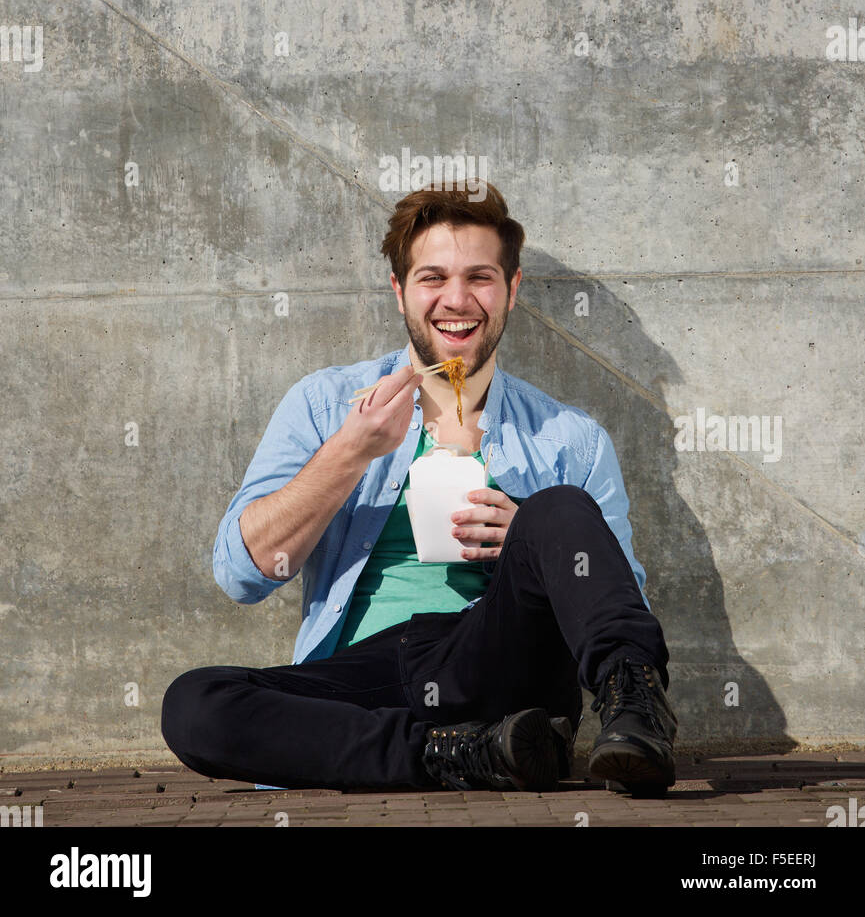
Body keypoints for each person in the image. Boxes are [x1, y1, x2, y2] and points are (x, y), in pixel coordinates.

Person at [161, 182, 677, 795]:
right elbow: (240, 574)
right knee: (195, 703)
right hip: (367, 681)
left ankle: (640, 714)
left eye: (480, 278)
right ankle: (457, 756)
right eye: (432, 277)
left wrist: (532, 544)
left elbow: (623, 605)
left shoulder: (571, 439)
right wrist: (350, 451)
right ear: (399, 289)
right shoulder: (325, 405)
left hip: (493, 661)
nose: (456, 300)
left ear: (511, 291)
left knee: (558, 510)